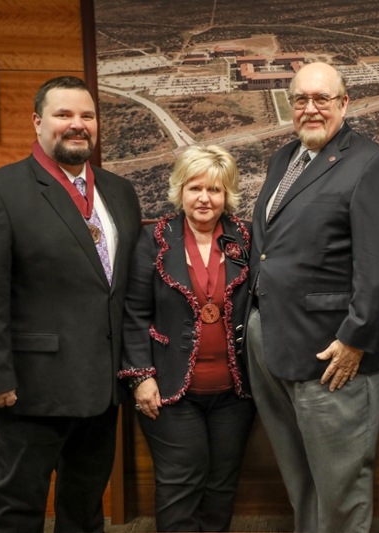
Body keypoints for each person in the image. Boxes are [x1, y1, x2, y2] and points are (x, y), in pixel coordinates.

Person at [0, 76, 142, 532]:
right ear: (37, 122)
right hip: (27, 391)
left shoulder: (119, 193)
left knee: (85, 508)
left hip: (100, 388)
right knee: (17, 509)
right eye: (64, 115)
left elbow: (119, 289)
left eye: (87, 116)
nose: (77, 125)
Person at [246, 62, 379, 533]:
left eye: (322, 99)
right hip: (273, 341)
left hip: (333, 352)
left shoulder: (370, 163)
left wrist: (356, 338)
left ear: (344, 104)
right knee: (302, 477)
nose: (311, 108)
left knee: (340, 485)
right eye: (301, 99)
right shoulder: (284, 158)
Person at [120, 145, 255, 532]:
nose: (204, 198)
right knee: (181, 483)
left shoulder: (244, 239)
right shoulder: (155, 240)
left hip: (236, 392)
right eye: (195, 188)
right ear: (180, 190)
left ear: (227, 194)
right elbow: (134, 313)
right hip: (170, 389)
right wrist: (141, 376)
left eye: (215, 190)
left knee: (222, 485)